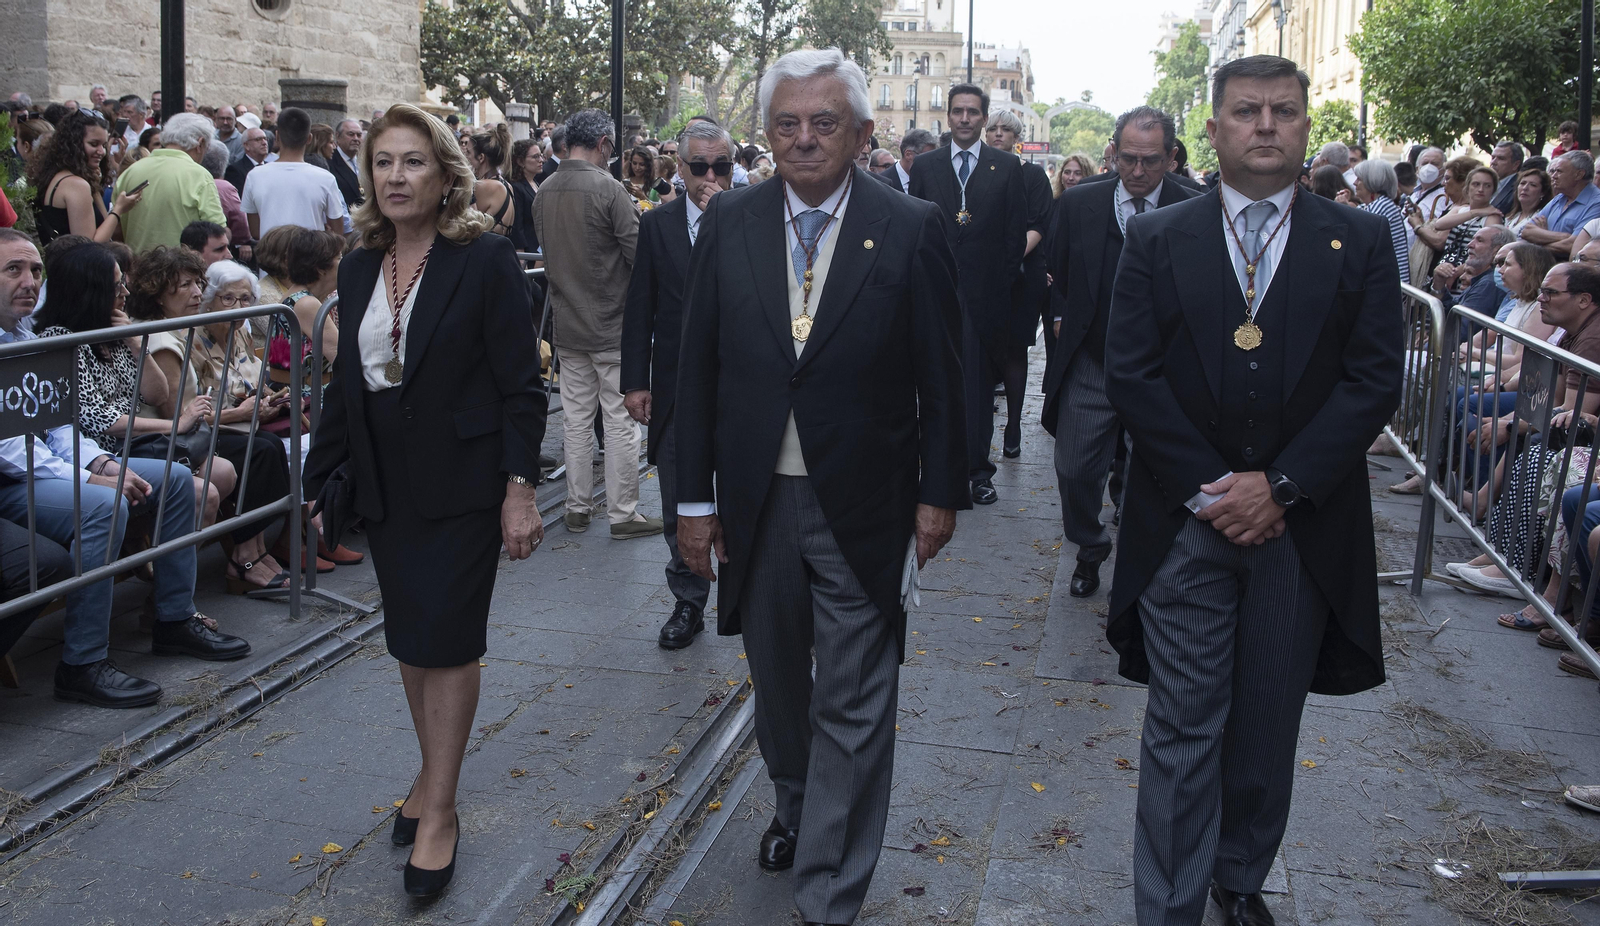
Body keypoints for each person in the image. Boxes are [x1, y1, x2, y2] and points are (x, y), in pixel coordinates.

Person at [1104, 55, 1402, 926]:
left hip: (1299, 531)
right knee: (1181, 730)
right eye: (1245, 111)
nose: (1265, 125)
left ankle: (1239, 877)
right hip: (1183, 526)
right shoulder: (1158, 239)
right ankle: (1168, 907)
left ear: (1307, 126)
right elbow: (1133, 372)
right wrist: (1213, 490)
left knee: (1267, 726)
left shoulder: (1358, 241)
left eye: (1283, 111)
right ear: (1215, 129)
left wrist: (1280, 488)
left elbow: (1373, 379)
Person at [674, 47, 966, 926]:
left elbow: (946, 379)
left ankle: (829, 888)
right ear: (767, 135)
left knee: (856, 693)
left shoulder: (911, 226)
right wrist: (692, 502)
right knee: (781, 684)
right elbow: (697, 369)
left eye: (824, 122)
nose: (805, 139)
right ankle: (800, 803)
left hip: (866, 503)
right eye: (788, 124)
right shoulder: (730, 220)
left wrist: (939, 492)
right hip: (756, 504)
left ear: (862, 132)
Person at [302, 102, 547, 899]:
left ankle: (439, 807)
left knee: (448, 639)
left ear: (445, 174)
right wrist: (319, 485)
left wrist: (520, 490)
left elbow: (522, 386)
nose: (396, 176)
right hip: (384, 484)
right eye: (382, 163)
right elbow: (346, 386)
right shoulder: (362, 261)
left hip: (466, 484)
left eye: (413, 162)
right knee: (413, 639)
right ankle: (430, 774)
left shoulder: (485, 258)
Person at [0, 231, 250, 707]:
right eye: (14, 269)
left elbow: (57, 426)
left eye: (35, 270)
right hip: (11, 479)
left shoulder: (26, 337)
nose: (30, 281)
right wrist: (93, 476)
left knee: (177, 480)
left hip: (48, 464)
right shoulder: (35, 340)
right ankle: (82, 662)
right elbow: (10, 450)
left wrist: (103, 461)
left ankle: (174, 618)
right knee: (101, 506)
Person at [1041, 105, 1197, 600]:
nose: (1137, 171)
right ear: (1113, 152)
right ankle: (1090, 543)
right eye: (1127, 158)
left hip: (1165, 368)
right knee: (1073, 467)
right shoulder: (1079, 205)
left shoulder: (1196, 206)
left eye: (1149, 161)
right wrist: (1064, 316)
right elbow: (1057, 272)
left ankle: (1139, 557)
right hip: (1092, 358)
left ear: (1171, 158)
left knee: (1154, 472)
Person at [620, 119, 732, 651]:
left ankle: (746, 591)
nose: (712, 176)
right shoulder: (658, 225)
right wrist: (634, 381)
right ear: (680, 170)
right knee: (677, 503)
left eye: (722, 166)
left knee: (739, 495)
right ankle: (687, 599)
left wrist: (725, 222)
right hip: (674, 387)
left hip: (739, 388)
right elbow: (640, 307)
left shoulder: (750, 219)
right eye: (701, 166)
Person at [531, 108, 661, 540]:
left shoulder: (544, 190)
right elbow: (638, 255)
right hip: (611, 325)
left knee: (575, 419)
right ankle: (622, 513)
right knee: (620, 421)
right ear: (604, 144)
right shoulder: (607, 189)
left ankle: (577, 506)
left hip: (568, 325)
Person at [908, 82, 1027, 506]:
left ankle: (978, 471)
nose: (963, 118)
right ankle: (935, 472)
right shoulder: (925, 167)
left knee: (977, 392)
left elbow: (1014, 238)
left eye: (972, 112)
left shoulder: (1007, 167)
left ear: (983, 117)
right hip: (935, 298)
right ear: (947, 115)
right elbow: (914, 232)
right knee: (933, 386)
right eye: (957, 111)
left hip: (983, 301)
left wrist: (997, 286)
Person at [984, 108, 1050, 457]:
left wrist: (1006, 261)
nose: (998, 134)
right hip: (982, 276)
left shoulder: (1033, 175)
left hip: (1022, 276)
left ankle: (1013, 426)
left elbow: (1038, 224)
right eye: (992, 128)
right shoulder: (979, 172)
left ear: (1016, 137)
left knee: (1014, 350)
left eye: (1005, 130)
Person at [111, 113, 227, 254]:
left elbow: (116, 228)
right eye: (206, 147)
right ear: (200, 143)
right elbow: (217, 232)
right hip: (182, 269)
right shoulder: (199, 175)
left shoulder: (131, 171)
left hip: (137, 267)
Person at [28, 111, 140, 246]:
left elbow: (103, 224)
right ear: (73, 145)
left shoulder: (58, 176)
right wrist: (118, 210)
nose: (101, 151)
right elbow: (89, 245)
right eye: (94, 144)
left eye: (104, 145)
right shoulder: (76, 184)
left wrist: (94, 186)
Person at [241, 108, 348, 240]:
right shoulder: (325, 178)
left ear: (277, 136)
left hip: (270, 255)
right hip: (312, 255)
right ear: (309, 138)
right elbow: (337, 230)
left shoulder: (254, 176)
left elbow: (256, 231)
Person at [1417, 165, 1502, 267]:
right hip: (1444, 265)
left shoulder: (1493, 216)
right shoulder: (1460, 209)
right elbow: (1439, 225)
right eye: (1476, 184)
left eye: (1487, 185)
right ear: (1467, 187)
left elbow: (1488, 252)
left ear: (1493, 190)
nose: (1481, 189)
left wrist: (1458, 272)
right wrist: (1476, 213)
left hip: (1467, 270)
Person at [1521, 150, 1600, 258]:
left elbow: (1574, 245)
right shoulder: (1559, 198)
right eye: (1552, 171)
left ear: (1579, 174)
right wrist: (1565, 236)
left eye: (1559, 171)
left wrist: (1539, 240)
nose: (1553, 176)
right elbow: (1526, 231)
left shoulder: (1596, 203)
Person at [1347, 158, 1410, 279]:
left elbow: (1361, 242)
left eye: (1359, 179)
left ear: (1373, 182)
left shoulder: (1384, 206)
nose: (1355, 183)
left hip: (1388, 282)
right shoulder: (1368, 206)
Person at [200, 140, 251, 261]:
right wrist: (242, 240)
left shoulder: (192, 182)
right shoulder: (224, 187)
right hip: (219, 248)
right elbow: (240, 221)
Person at [466, 124, 517, 240]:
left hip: (484, 254)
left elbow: (466, 222)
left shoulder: (484, 186)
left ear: (481, 157)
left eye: (468, 152)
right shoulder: (507, 185)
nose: (465, 156)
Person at [873, 128, 934, 194]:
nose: (931, 162)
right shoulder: (881, 182)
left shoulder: (931, 180)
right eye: (926, 157)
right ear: (908, 155)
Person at [508, 138, 540, 253]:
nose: (541, 160)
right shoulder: (516, 187)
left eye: (541, 155)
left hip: (539, 245)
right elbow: (517, 223)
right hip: (527, 248)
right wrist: (520, 250)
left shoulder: (536, 183)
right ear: (520, 161)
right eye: (535, 157)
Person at [1503, 168, 1553, 235]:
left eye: (1533, 185)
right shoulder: (1512, 216)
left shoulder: (1540, 219)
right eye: (1522, 183)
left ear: (1542, 193)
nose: (1525, 188)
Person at [329, 119, 365, 210]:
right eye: (351, 134)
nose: (356, 138)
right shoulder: (330, 163)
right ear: (338, 136)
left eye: (359, 135)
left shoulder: (365, 162)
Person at [224, 127, 270, 196]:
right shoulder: (235, 170)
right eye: (258, 139)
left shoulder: (270, 167)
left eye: (265, 139)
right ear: (246, 145)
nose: (264, 143)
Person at [1490, 141, 1526, 215]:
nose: (1493, 162)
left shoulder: (1521, 187)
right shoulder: (1486, 183)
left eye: (1501, 158)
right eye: (1493, 157)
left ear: (1515, 164)